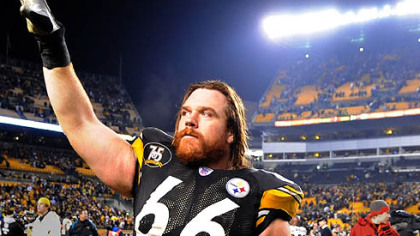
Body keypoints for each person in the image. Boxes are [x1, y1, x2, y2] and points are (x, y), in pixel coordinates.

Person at [19, 0, 304, 235]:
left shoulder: (261, 192)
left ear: (231, 132)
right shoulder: (154, 158)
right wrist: (51, 42)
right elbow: (80, 123)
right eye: (184, 113)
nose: (190, 121)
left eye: (206, 114)